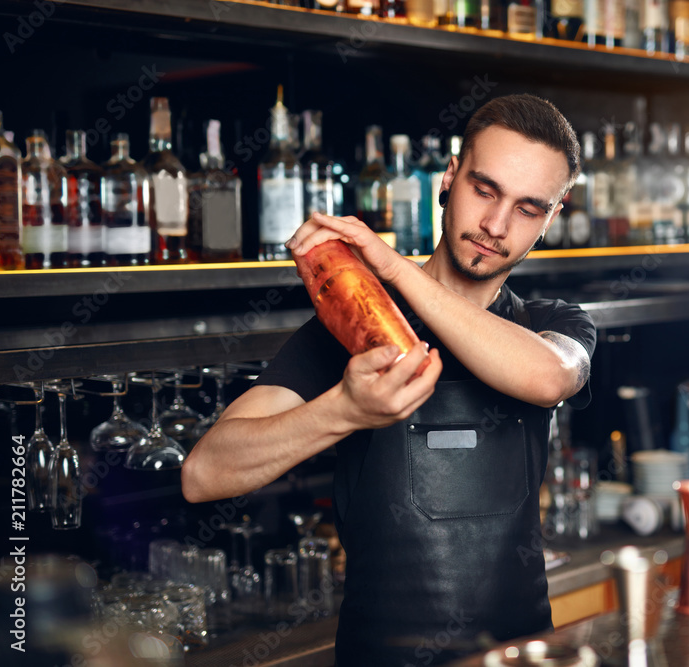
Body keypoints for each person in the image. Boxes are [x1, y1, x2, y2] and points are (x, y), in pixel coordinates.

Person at [181, 94, 597, 665]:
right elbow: (204, 474)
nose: (496, 226)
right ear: (449, 178)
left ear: (553, 216)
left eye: (529, 208)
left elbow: (550, 376)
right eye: (484, 189)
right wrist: (345, 410)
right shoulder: (352, 327)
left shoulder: (551, 324)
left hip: (521, 653)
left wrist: (394, 267)